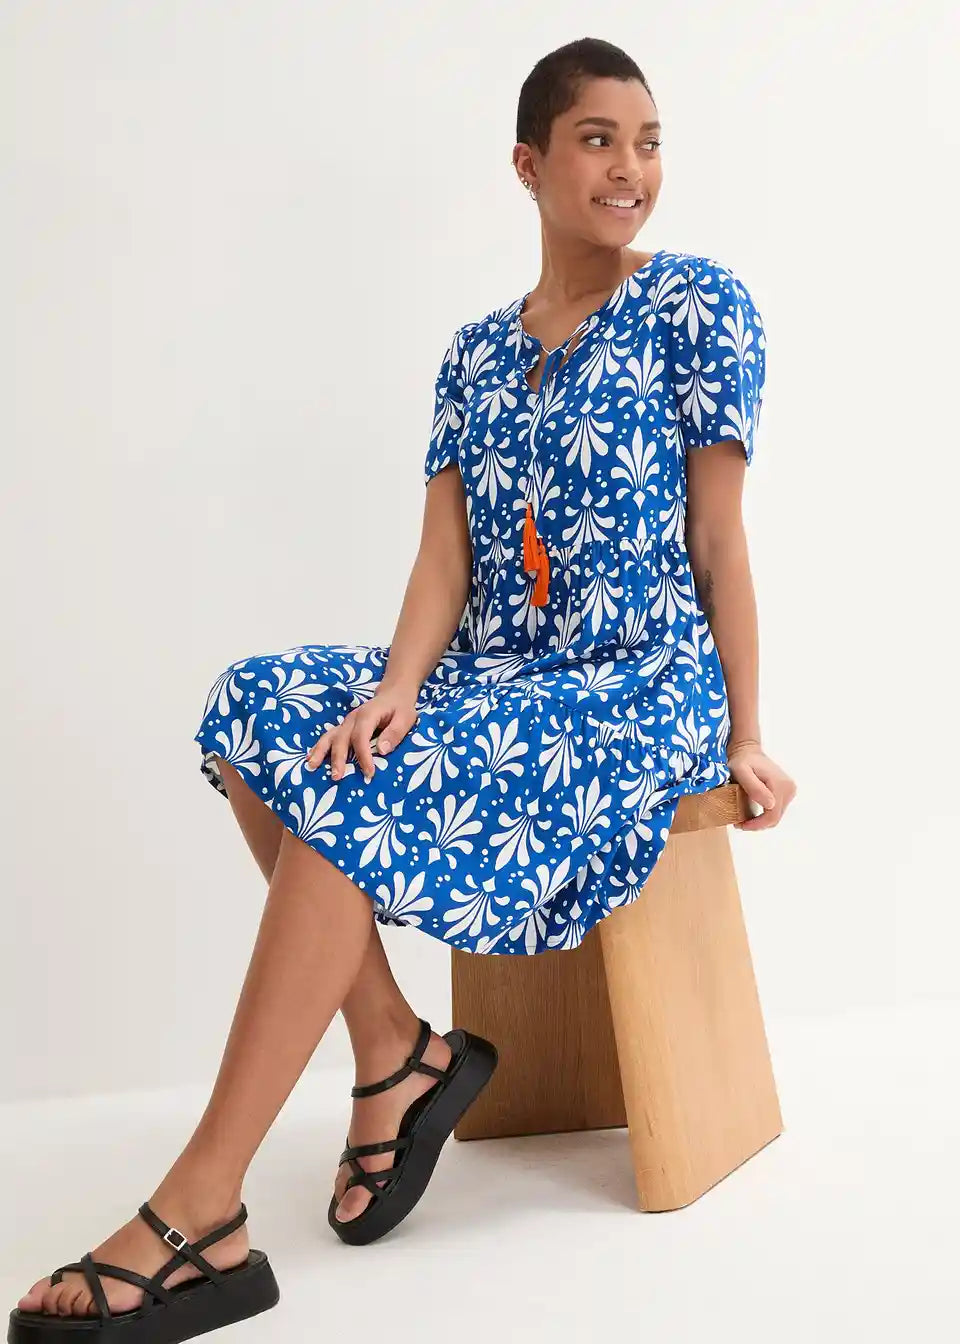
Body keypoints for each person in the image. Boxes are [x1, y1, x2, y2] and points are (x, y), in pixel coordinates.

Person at [9, 34, 796, 1343]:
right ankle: (396, 1050)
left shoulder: (696, 307)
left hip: (634, 689)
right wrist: (396, 683)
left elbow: (722, 540)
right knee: (264, 704)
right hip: (496, 672)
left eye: (649, 142)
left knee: (357, 780)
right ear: (528, 165)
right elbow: (445, 559)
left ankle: (203, 1206)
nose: (631, 167)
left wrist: (750, 730)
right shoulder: (475, 354)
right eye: (598, 139)